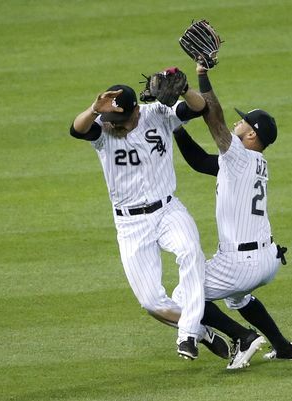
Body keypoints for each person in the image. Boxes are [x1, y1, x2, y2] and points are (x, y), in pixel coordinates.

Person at [69, 73, 227, 359]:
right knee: (151, 302)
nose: (114, 126)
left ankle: (187, 335)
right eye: (111, 120)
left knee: (191, 252)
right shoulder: (103, 128)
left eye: (121, 121)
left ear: (136, 111)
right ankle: (199, 331)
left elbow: (198, 107)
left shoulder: (157, 114)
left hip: (167, 210)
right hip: (130, 224)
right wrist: (94, 109)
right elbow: (76, 129)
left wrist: (186, 89)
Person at [172, 64, 292, 369]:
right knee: (237, 298)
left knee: (184, 295)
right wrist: (174, 127)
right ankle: (284, 348)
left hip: (240, 263)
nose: (236, 122)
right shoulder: (251, 162)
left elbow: (212, 117)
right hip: (267, 259)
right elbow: (201, 162)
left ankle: (242, 337)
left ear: (252, 134)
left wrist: (201, 77)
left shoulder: (239, 156)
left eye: (243, 121)